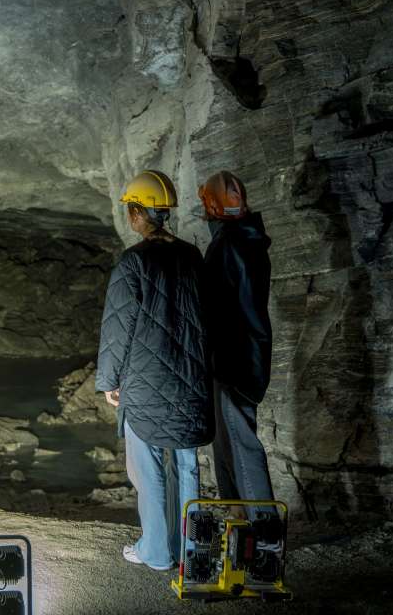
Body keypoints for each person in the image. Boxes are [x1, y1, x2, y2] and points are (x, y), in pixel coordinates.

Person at [96, 170, 213, 571]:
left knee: (148, 472)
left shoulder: (134, 263)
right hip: (192, 380)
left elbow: (117, 328)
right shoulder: (193, 256)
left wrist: (109, 380)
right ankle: (193, 553)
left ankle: (157, 553)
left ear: (135, 214)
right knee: (186, 467)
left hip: (146, 383)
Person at [198, 171, 275, 514]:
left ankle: (263, 531)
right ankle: (238, 515)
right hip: (245, 355)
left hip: (233, 359)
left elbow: (213, 306)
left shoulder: (229, 244)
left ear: (212, 204)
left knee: (241, 445)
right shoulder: (250, 239)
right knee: (229, 442)